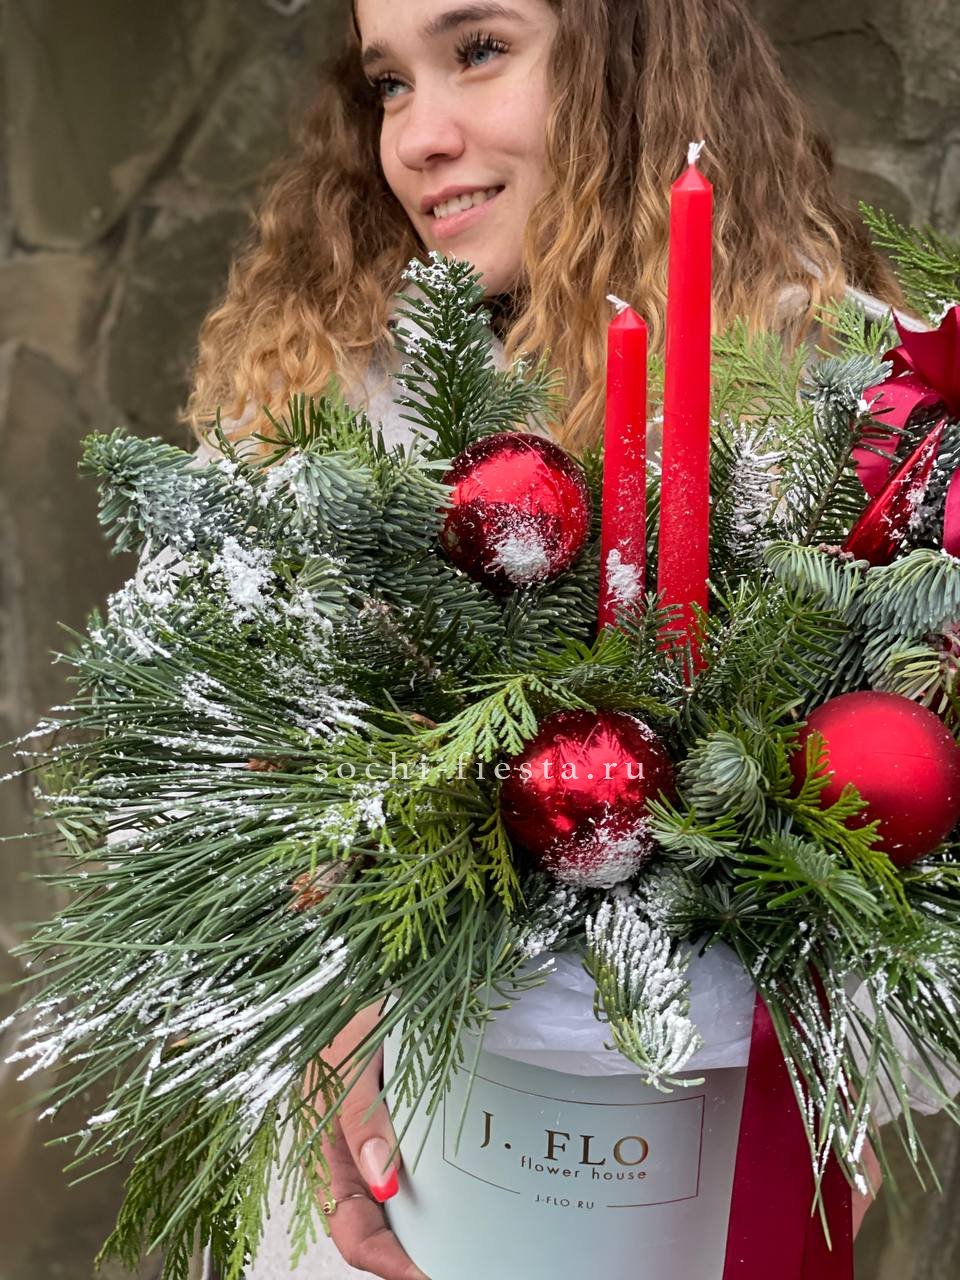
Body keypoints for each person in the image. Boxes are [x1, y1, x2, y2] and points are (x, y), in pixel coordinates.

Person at [183, 2, 900, 1275]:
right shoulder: (323, 397)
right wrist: (311, 1018)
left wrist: (835, 1051)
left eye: (477, 51)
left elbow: (900, 808)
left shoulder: (834, 404)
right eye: (390, 83)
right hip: (392, 1201)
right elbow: (193, 785)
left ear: (633, 62)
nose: (417, 137)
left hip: (681, 1202)